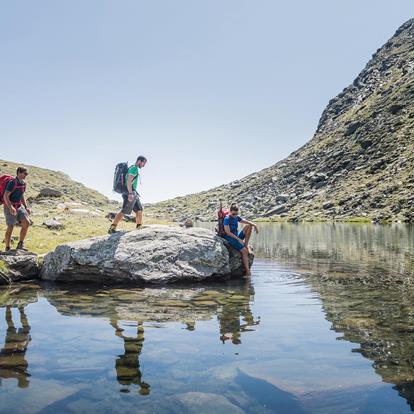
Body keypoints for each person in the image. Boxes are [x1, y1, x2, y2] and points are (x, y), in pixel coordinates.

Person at [109, 156, 147, 234]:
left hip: (133, 192)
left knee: (139, 210)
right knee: (124, 210)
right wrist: (130, 193)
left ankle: (139, 226)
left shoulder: (132, 168)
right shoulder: (134, 169)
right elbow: (129, 181)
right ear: (139, 161)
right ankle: (112, 227)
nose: (144, 165)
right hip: (129, 192)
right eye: (144, 163)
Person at [223, 203, 258, 276]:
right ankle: (247, 271)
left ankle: (246, 244)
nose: (235, 216)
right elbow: (228, 232)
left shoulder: (236, 217)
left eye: (236, 214)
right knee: (244, 251)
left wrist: (254, 224)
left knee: (249, 226)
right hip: (230, 238)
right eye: (233, 214)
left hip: (236, 236)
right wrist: (238, 239)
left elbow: (245, 221)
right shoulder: (227, 219)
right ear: (230, 211)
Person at [3, 167, 31, 251]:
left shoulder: (23, 183)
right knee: (10, 227)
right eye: (24, 173)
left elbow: (21, 195)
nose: (26, 175)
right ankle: (7, 247)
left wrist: (26, 207)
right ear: (19, 172)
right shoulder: (12, 183)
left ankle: (20, 244)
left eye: (27, 174)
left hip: (19, 206)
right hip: (9, 206)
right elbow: (5, 196)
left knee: (26, 223)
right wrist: (10, 207)